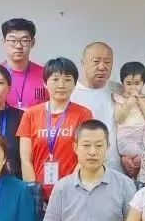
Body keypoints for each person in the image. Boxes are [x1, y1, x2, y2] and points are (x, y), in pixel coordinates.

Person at [17, 58, 93, 204]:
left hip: (72, 192)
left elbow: (84, 156)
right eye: (55, 79)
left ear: (74, 84)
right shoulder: (30, 114)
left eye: (67, 79)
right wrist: (33, 190)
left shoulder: (84, 114)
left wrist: (71, 188)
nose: (61, 85)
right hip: (38, 194)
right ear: (45, 83)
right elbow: (25, 158)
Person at [71, 42, 124, 174]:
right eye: (96, 61)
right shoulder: (71, 92)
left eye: (107, 62)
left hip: (115, 168)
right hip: (80, 169)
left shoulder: (119, 90)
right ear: (83, 62)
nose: (102, 67)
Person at [0, 18, 48, 109]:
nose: (18, 46)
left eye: (24, 41)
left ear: (32, 43)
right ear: (4, 42)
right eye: (13, 41)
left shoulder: (46, 75)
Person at [114, 61, 145, 180]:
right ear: (122, 83)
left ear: (143, 83)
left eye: (137, 83)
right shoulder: (120, 99)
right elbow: (119, 118)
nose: (133, 87)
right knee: (141, 158)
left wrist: (139, 100)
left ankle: (137, 174)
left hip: (142, 138)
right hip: (126, 139)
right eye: (128, 84)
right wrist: (129, 104)